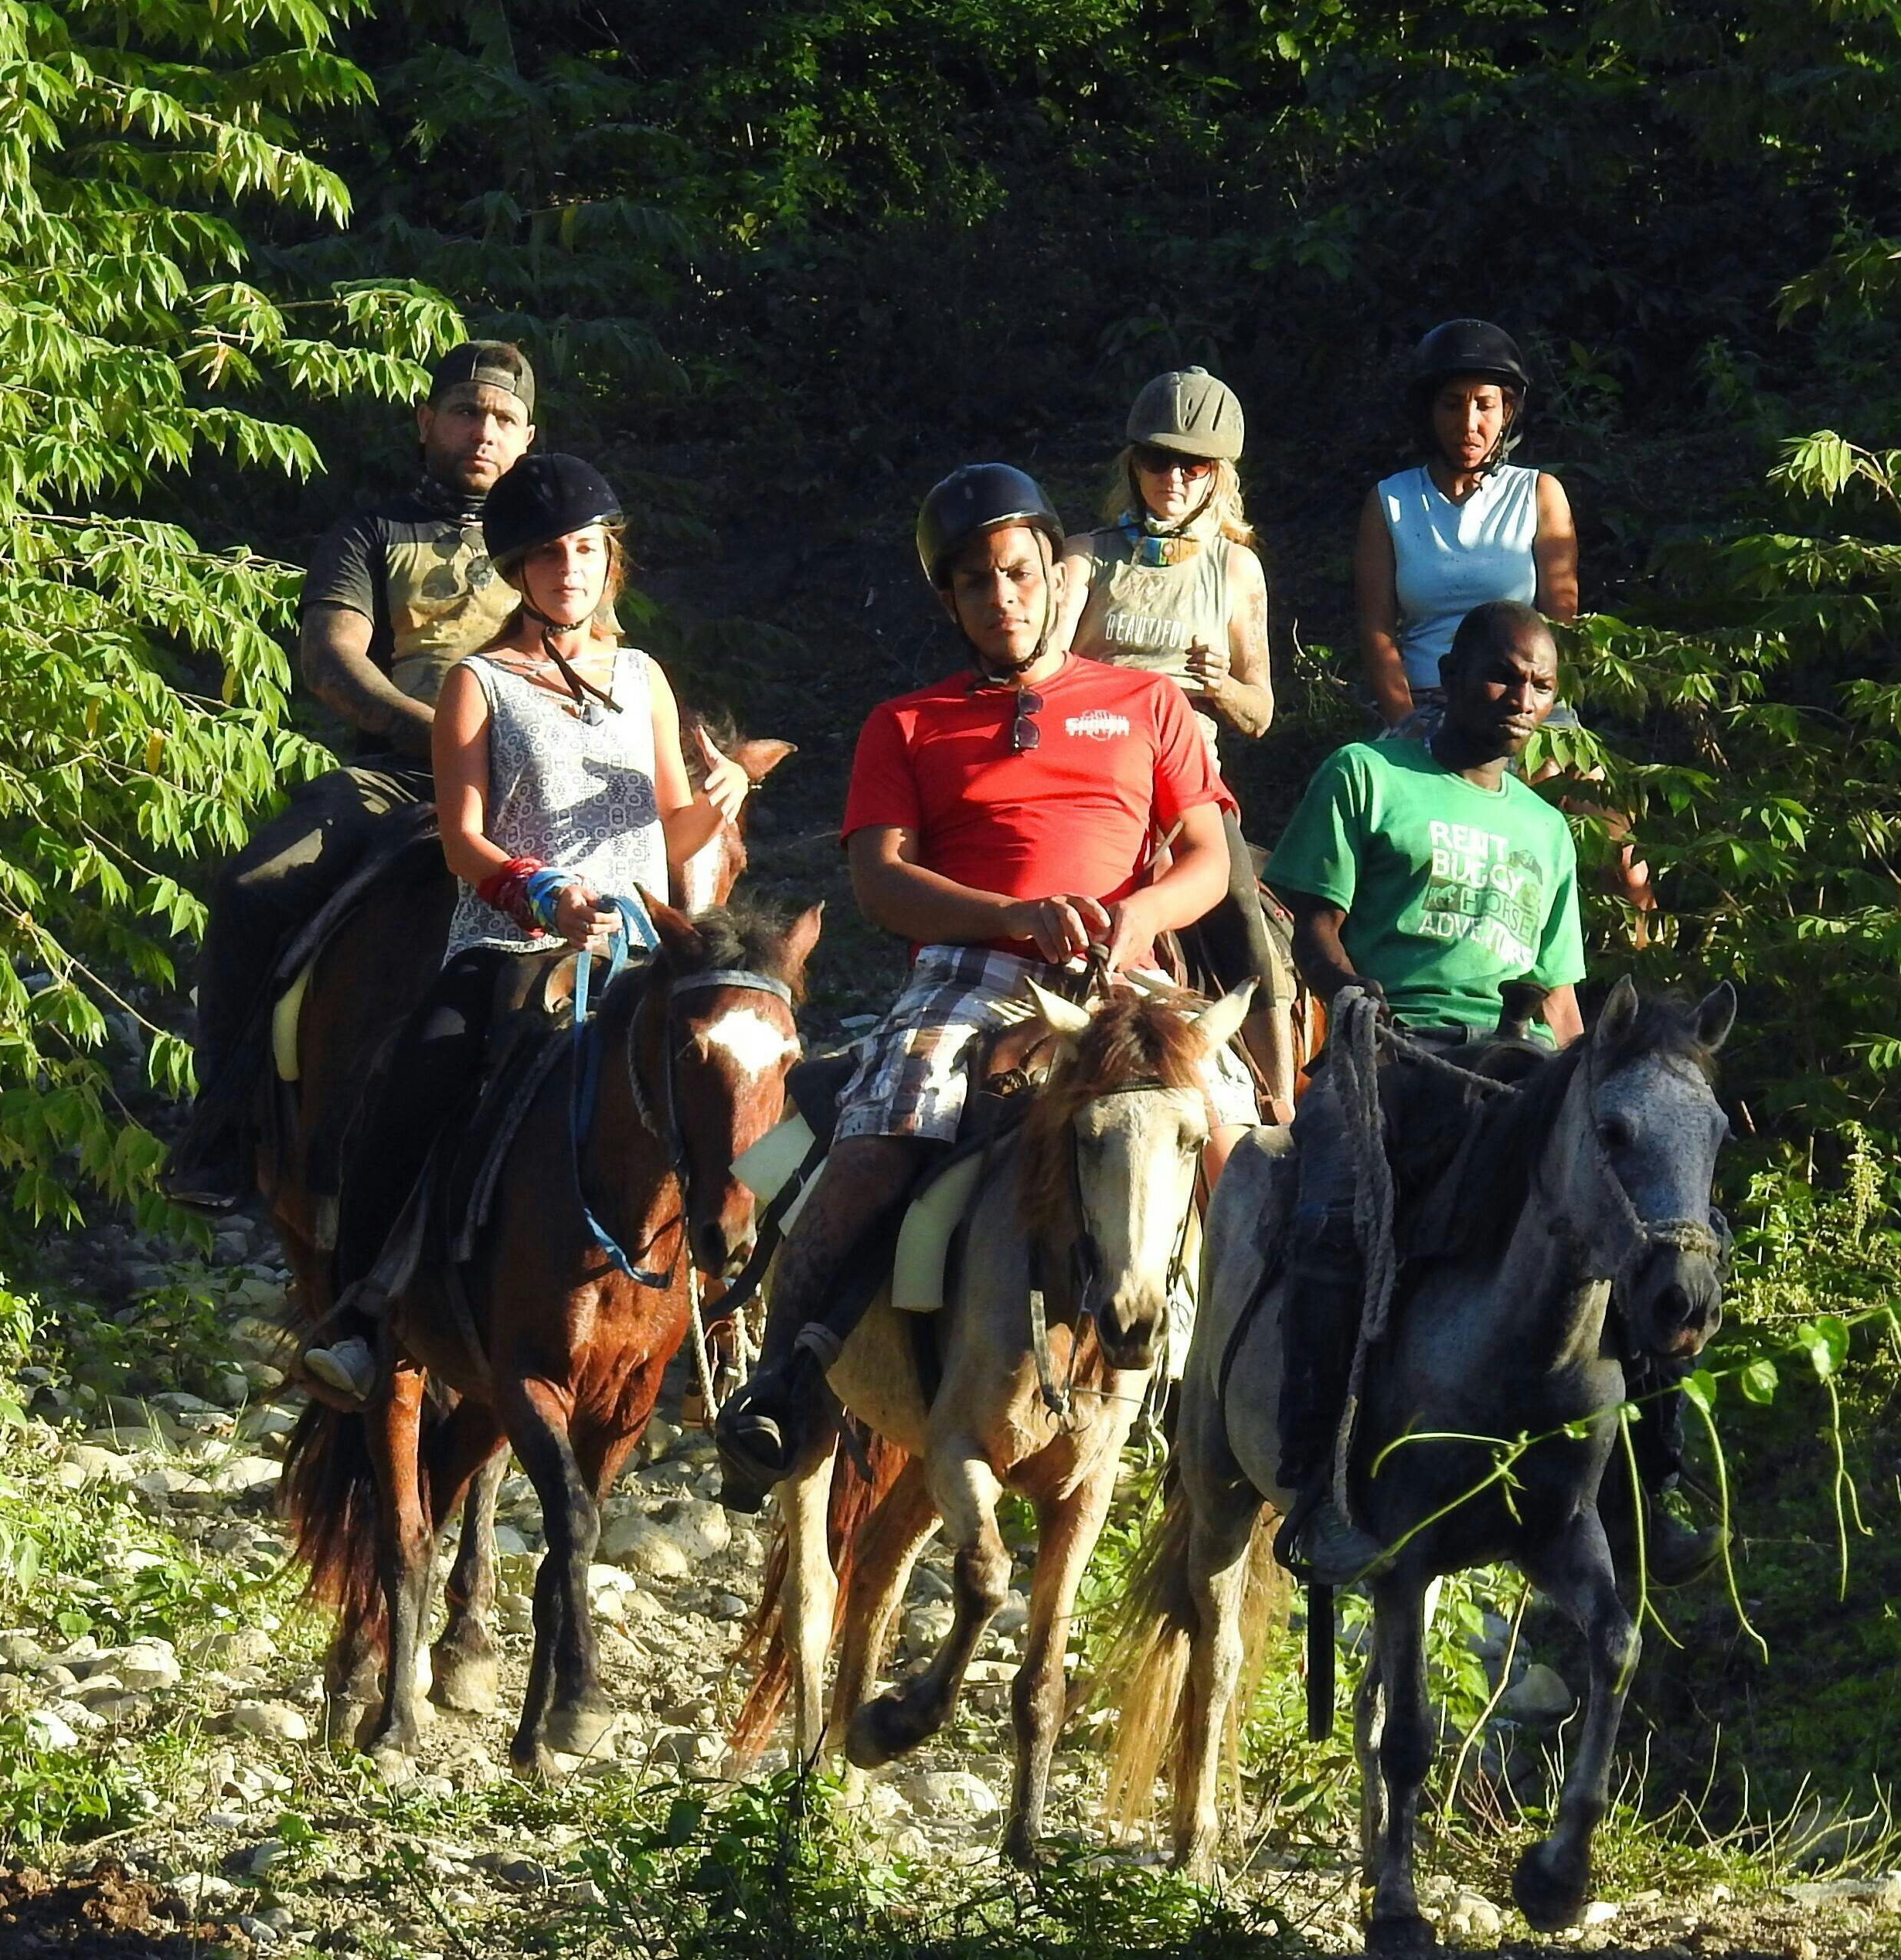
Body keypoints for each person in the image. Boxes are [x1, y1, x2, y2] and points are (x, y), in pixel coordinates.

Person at [712, 464, 1258, 1499]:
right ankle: (780, 1391)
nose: (1000, 598)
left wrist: (1134, 918)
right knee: (881, 1136)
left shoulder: (1145, 704)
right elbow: (879, 881)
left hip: (1122, 967)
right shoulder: (905, 724)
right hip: (971, 970)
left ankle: (1265, 1390)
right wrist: (1008, 917)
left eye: (1016, 573)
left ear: (1057, 573)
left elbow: (1204, 855)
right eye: (974, 583)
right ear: (948, 601)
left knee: (1234, 1124)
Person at [1262, 601, 1709, 1584]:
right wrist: (1352, 1000)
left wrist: (1600, 1090)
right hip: (1385, 1050)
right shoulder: (1366, 777)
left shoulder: (1547, 831)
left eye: (1541, 687)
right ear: (1453, 672)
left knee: (1638, 1223)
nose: (1521, 699)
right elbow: (1314, 927)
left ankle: (1642, 1487)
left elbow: (1555, 994)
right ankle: (1317, 1490)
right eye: (1503, 675)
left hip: (1508, 1067)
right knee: (1331, 1222)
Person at [301, 455, 750, 1404]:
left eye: (585, 549)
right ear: (518, 570)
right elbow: (462, 840)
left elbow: (673, 833)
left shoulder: (642, 677)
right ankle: (364, 1311)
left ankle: (762, 1314)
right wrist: (540, 895)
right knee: (416, 1081)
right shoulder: (478, 683)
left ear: (607, 560)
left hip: (636, 948)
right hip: (512, 943)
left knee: (755, 1073)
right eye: (548, 555)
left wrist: (724, 795)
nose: (570, 569)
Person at [165, 342, 539, 1208]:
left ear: (526, 438)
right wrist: (442, 739)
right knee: (254, 885)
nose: (482, 431)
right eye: (464, 412)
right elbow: (334, 665)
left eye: (502, 419)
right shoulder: (367, 534)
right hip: (392, 778)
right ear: (425, 423)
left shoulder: (558, 546)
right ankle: (220, 1133)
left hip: (532, 776)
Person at [1061, 366, 1299, 1120]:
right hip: (1088, 771)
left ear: (1217, 476)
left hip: (1187, 777)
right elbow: (1036, 675)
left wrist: (1217, 685)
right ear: (1130, 465)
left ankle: (1281, 1106)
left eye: (1192, 465)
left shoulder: (1235, 569)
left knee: (1238, 913)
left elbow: (1259, 711)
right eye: (1157, 460)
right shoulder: (1081, 557)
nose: (1172, 478)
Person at [1353, 320, 1579, 734]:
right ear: (1429, 411)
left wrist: (1539, 716)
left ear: (1507, 411)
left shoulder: (1539, 494)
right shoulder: (1390, 500)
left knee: (1595, 797)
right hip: (1426, 703)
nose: (1469, 423)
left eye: (1485, 405)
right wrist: (1406, 723)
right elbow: (1376, 630)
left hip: (1522, 705)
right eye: (1453, 405)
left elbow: (1561, 626)